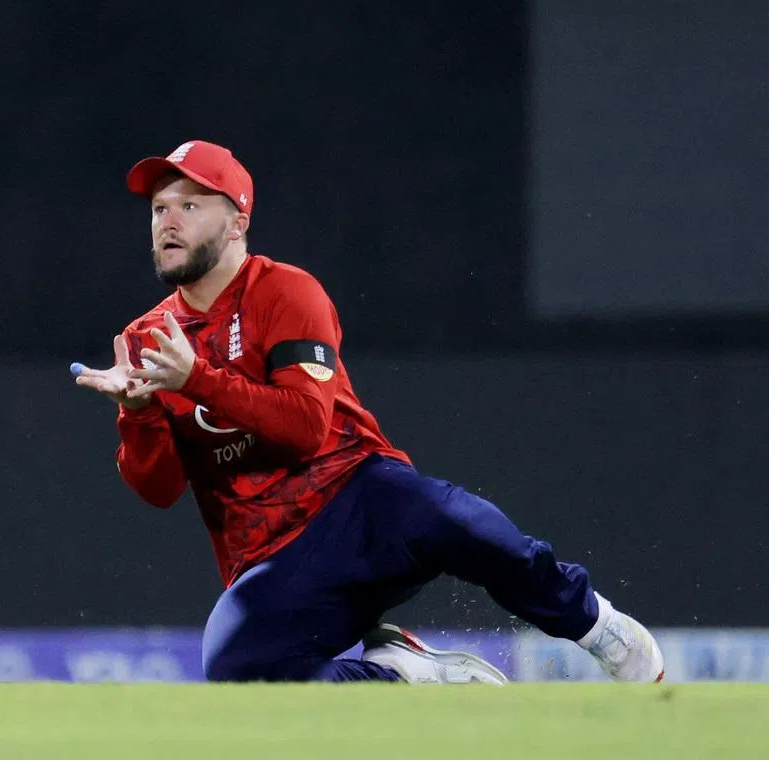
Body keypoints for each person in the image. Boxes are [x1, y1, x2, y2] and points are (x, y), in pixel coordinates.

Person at [71, 139, 664, 684]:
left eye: (190, 205)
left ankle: (596, 625)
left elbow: (304, 430)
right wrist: (138, 411)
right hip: (272, 558)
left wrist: (197, 379)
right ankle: (409, 679)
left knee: (459, 522)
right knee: (237, 669)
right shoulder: (147, 336)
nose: (168, 221)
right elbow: (158, 490)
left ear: (237, 224)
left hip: (358, 501)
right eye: (159, 208)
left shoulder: (284, 291)